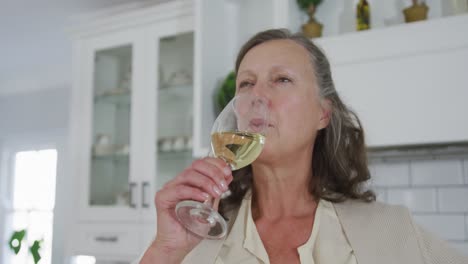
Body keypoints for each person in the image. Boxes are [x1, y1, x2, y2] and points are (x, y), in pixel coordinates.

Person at [139, 29, 467, 264]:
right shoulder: (192, 238)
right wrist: (165, 251)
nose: (257, 97)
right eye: (246, 83)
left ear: (323, 113)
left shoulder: (394, 230)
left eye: (281, 79)